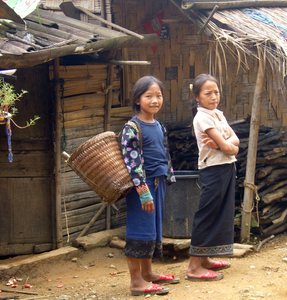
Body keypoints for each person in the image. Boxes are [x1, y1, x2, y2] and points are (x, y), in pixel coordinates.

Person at [121, 76, 178, 296]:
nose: (155, 100)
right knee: (139, 230)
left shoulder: (159, 125)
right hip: (142, 188)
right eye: (148, 96)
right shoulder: (132, 127)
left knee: (151, 229)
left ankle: (148, 274)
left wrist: (167, 178)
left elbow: (165, 154)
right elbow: (131, 161)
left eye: (158, 95)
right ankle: (136, 281)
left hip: (158, 183)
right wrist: (143, 191)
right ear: (137, 99)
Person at [185, 73, 239, 281]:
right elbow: (231, 147)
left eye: (216, 92)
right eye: (208, 93)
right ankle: (193, 267)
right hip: (213, 169)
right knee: (207, 214)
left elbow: (235, 141)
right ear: (197, 96)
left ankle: (206, 259)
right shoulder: (203, 117)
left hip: (225, 167)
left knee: (220, 212)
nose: (214, 96)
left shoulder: (217, 114)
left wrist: (224, 145)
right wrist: (225, 145)